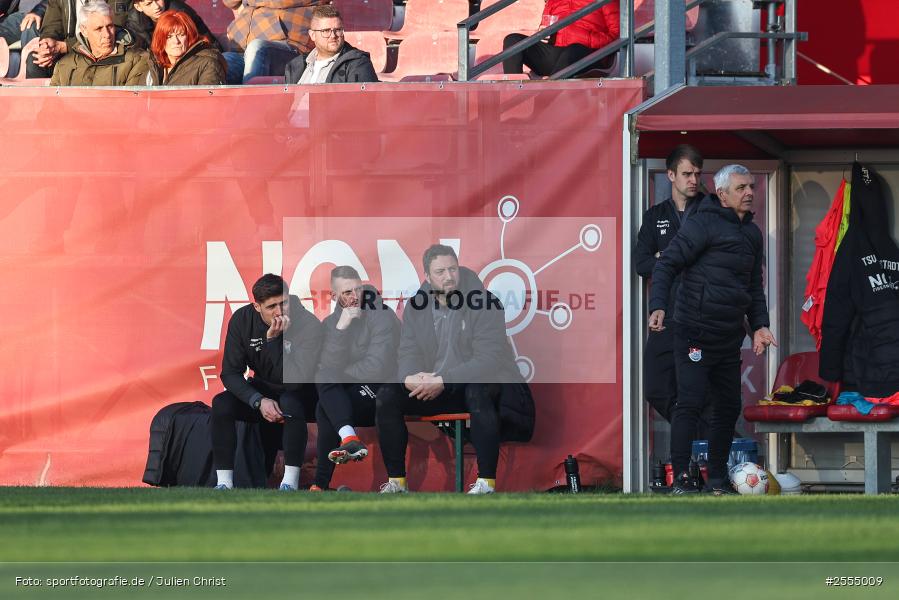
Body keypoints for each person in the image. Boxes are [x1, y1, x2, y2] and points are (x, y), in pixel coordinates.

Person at [648, 164, 776, 495]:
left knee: (728, 406)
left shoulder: (753, 233)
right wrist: (658, 305)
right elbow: (667, 263)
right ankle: (682, 481)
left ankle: (717, 480)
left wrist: (760, 326)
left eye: (751, 186)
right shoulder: (702, 223)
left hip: (727, 338)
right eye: (741, 188)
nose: (749, 193)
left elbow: (753, 287)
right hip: (693, 332)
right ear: (721, 194)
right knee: (688, 403)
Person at [376, 244, 532, 495]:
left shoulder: (485, 302)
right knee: (387, 395)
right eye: (440, 271)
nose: (448, 276)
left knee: (478, 393)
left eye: (452, 268)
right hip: (435, 387)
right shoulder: (417, 305)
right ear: (427, 276)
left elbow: (489, 359)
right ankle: (397, 482)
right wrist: (409, 377)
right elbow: (408, 351)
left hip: (473, 383)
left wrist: (444, 380)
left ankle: (486, 483)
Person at [211, 274, 323, 490]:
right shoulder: (242, 320)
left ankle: (289, 483)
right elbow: (230, 373)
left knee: (290, 402)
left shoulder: (308, 324)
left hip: (301, 391)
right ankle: (224, 483)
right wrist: (258, 400)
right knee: (222, 404)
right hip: (263, 388)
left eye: (284, 303)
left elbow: (295, 382)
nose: (280, 312)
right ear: (256, 306)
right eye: (272, 306)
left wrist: (272, 341)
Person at [634, 144, 711, 437]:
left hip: (701, 317)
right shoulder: (655, 216)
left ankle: (709, 455)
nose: (693, 180)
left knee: (702, 392)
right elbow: (641, 263)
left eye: (697, 174)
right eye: (687, 174)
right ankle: (700, 438)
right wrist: (670, 261)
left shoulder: (710, 210)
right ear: (670, 175)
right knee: (656, 388)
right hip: (666, 316)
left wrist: (664, 257)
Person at [311, 266, 400, 491]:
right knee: (326, 401)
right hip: (349, 392)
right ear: (333, 296)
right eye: (347, 292)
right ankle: (348, 440)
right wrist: (341, 328)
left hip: (383, 390)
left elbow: (378, 367)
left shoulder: (381, 314)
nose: (354, 297)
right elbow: (327, 367)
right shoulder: (331, 324)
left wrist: (339, 375)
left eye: (357, 289)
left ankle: (321, 482)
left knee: (327, 404)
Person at [502, 0, 619, 77]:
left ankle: (546, 99)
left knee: (574, 50)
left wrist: (581, 37)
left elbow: (617, 35)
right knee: (513, 41)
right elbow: (546, 24)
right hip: (556, 52)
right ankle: (512, 98)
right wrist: (543, 34)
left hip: (589, 53)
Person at [221, 0, 323, 84]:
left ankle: (251, 107)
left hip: (289, 49)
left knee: (256, 48)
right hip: (242, 49)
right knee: (217, 62)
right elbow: (230, 2)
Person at [49, 0, 147, 86]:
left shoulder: (136, 60)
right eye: (99, 29)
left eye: (110, 26)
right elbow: (52, 103)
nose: (107, 35)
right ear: (84, 31)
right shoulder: (64, 65)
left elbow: (131, 103)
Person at [35, 0, 130, 78]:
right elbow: (51, 25)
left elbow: (113, 29)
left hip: (103, 49)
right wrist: (47, 45)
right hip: (67, 52)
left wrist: (66, 46)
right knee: (36, 61)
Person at [284, 5, 378, 84]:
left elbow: (362, 104)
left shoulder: (358, 64)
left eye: (338, 30)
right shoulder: (295, 66)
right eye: (326, 31)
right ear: (312, 35)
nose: (333, 35)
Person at [145, 10, 225, 85]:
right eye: (169, 37)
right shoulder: (153, 64)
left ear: (190, 36)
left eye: (181, 35)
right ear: (160, 39)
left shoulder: (208, 64)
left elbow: (207, 98)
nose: (176, 41)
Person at [125, 0, 220, 51]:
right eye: (149, 3)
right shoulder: (134, 21)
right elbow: (138, 53)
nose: (157, 7)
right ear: (138, 7)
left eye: (158, 0)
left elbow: (207, 44)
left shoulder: (181, 13)